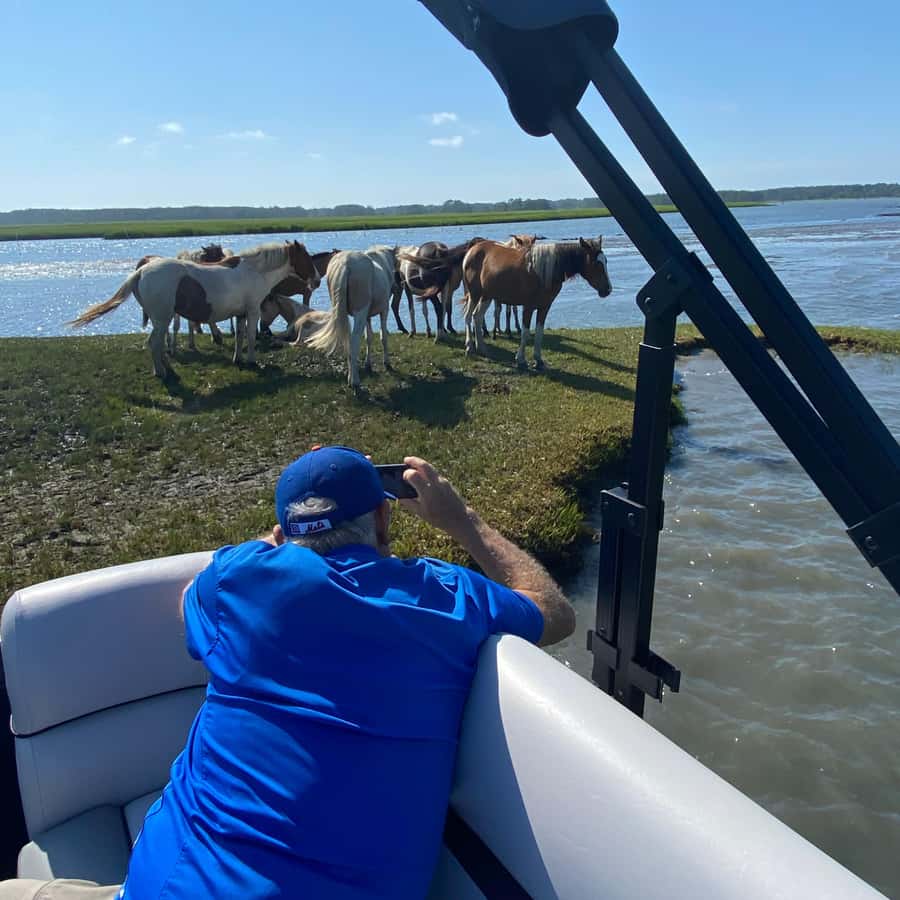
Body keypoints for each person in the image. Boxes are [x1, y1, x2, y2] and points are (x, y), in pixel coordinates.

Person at [2, 447, 574, 900]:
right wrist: (463, 521)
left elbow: (189, 605)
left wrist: (283, 535)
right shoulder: (447, 598)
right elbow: (553, 611)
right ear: (382, 515)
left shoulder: (239, 582)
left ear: (281, 533)